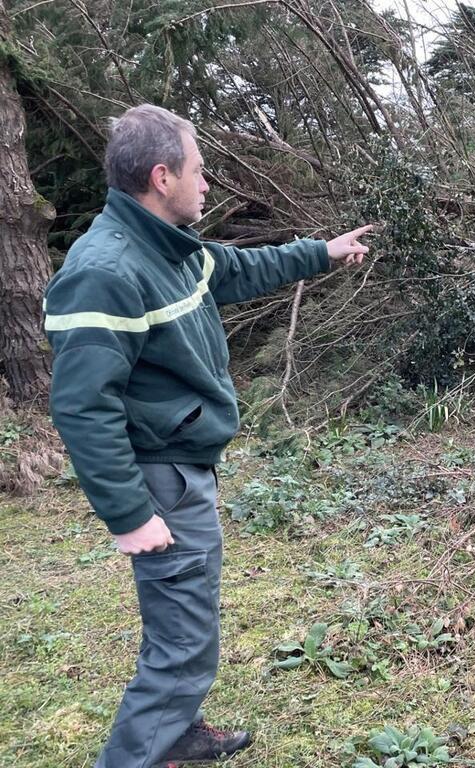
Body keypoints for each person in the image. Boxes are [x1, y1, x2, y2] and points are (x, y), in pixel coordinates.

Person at [43, 104, 373, 768]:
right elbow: (82, 406)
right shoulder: (107, 269)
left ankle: (178, 735)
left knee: (183, 621)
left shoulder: (167, 248)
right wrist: (131, 515)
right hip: (160, 481)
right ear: (161, 177)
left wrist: (322, 252)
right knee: (184, 643)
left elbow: (234, 271)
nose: (208, 183)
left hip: (185, 465)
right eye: (199, 170)